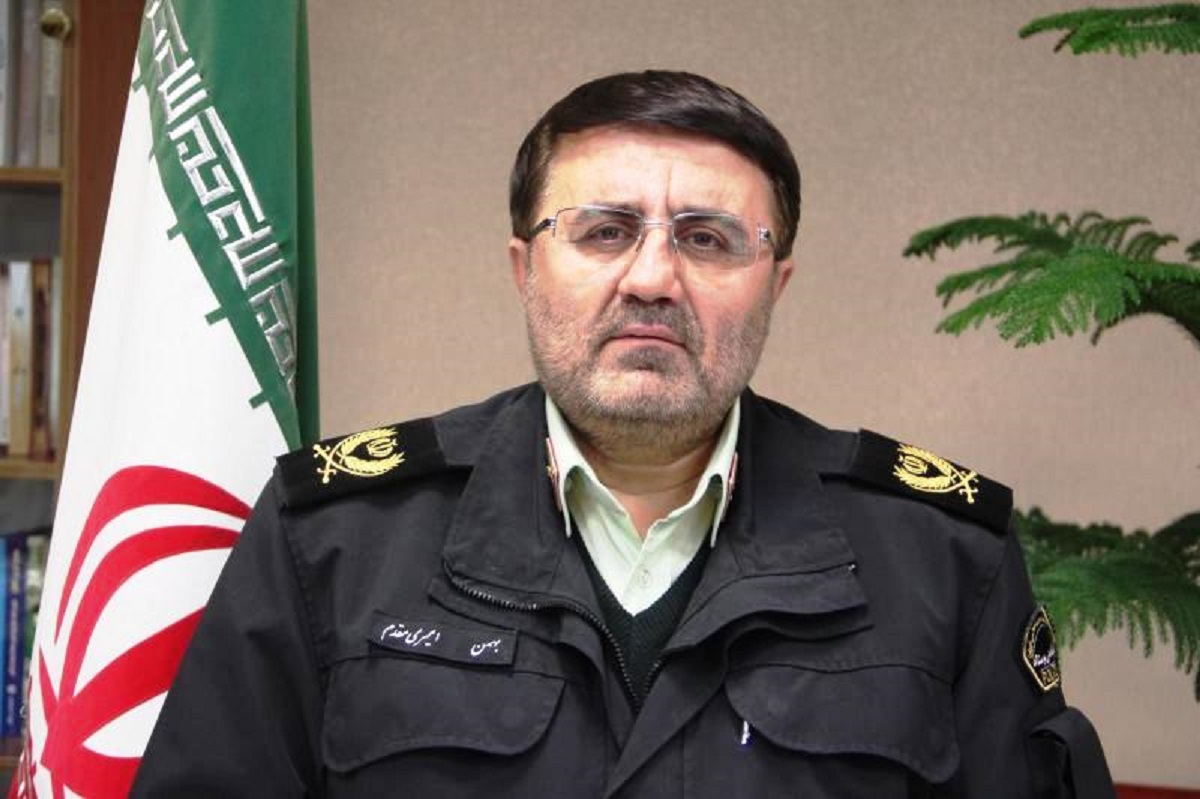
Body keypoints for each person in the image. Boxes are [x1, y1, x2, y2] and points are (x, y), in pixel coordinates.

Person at [131, 70, 1114, 798]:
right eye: (604, 230)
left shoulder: (941, 557)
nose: (652, 278)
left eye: (707, 238)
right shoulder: (335, 539)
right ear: (524, 268)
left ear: (775, 285)